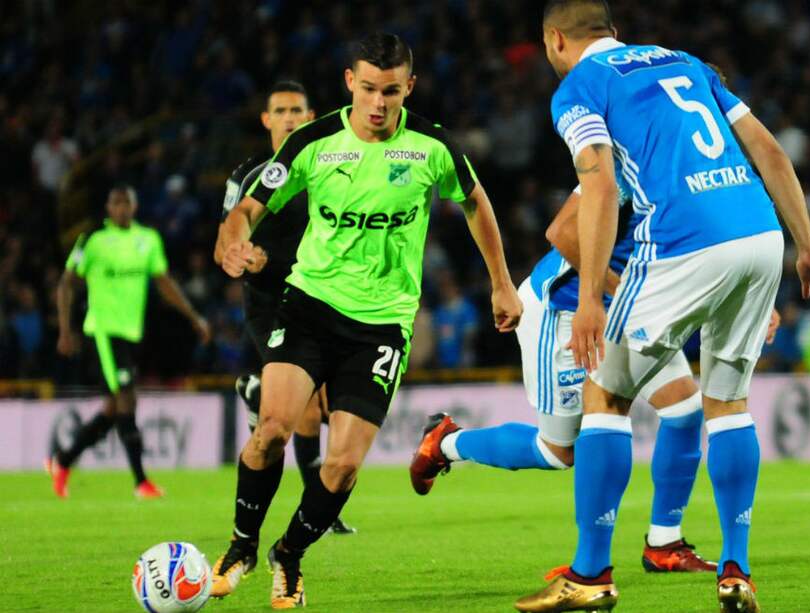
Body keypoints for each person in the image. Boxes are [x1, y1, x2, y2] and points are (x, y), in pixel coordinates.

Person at [516, 2, 810, 612]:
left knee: (604, 396)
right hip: (760, 233)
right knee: (728, 402)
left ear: (556, 40)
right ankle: (736, 568)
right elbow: (771, 153)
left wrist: (589, 298)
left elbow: (602, 187)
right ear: (612, 32)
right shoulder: (687, 62)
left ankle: (589, 576)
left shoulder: (580, 87)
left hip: (682, 242)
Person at [213, 32, 522, 609]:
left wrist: (501, 282)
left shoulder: (431, 146)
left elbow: (477, 201)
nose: (380, 104)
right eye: (370, 89)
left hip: (382, 325)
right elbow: (250, 206)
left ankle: (290, 554)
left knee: (344, 467)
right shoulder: (313, 140)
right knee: (272, 429)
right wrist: (230, 238)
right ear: (349, 83)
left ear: (409, 87)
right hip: (309, 304)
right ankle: (241, 545)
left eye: (392, 91)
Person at [411, 187, 780, 572]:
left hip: (630, 312)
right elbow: (564, 234)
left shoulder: (689, 172)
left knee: (685, 409)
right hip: (565, 311)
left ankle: (664, 542)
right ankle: (446, 443)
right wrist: (621, 293)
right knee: (557, 451)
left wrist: (753, 300)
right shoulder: (623, 164)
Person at [213, 80, 356, 538]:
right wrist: (237, 256)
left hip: (321, 295)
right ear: (266, 119)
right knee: (310, 409)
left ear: (311, 116)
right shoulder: (249, 173)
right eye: (281, 110)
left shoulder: (328, 166)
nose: (290, 118)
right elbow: (228, 234)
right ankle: (320, 507)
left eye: (298, 109)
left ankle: (258, 391)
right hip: (269, 299)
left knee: (326, 406)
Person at [50, 185, 211, 499]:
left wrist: (194, 317)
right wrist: (65, 330)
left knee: (113, 408)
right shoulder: (93, 241)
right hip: (103, 331)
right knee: (127, 399)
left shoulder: (147, 240)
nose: (121, 208)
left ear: (134, 206)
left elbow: (163, 282)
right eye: (116, 202)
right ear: (109, 207)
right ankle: (141, 482)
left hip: (131, 333)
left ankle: (63, 460)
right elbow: (66, 284)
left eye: (126, 202)